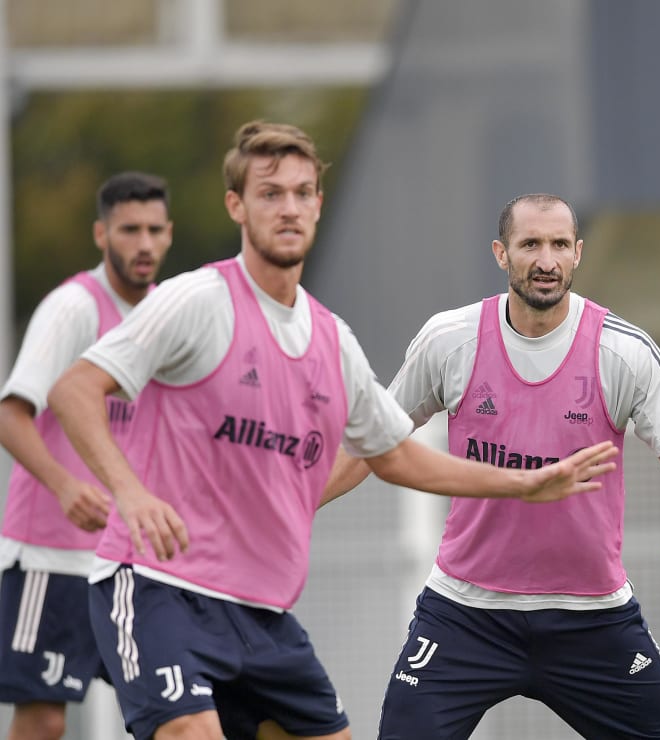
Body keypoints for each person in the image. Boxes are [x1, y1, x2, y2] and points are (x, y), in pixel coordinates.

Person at [46, 123, 618, 740]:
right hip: (159, 589)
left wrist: (523, 485)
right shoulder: (197, 301)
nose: (288, 207)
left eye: (302, 192)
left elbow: (396, 454)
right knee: (191, 734)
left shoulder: (331, 340)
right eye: (270, 194)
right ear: (237, 206)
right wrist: (129, 493)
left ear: (319, 204)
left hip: (262, 614)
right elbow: (74, 391)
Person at [323, 192, 660, 739]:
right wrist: (289, 505)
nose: (546, 260)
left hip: (591, 617)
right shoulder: (452, 340)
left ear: (577, 254)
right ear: (501, 253)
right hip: (466, 612)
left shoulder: (623, 350)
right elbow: (371, 443)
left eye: (559, 245)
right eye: (530, 244)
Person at [0, 172, 173, 740]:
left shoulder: (170, 316)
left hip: (129, 561)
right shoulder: (72, 307)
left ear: (169, 235)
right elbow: (10, 413)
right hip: (51, 559)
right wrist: (64, 485)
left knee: (177, 714)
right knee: (46, 718)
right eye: (129, 230)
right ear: (101, 234)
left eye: (153, 230)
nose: (142, 244)